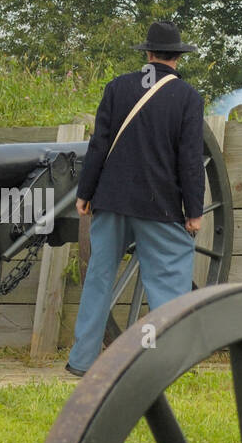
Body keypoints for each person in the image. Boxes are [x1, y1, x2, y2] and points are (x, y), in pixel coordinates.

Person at [66, 21, 205, 376]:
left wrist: (85, 192)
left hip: (112, 201)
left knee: (98, 278)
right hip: (160, 205)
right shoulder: (188, 97)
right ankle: (167, 362)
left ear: (147, 54)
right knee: (169, 282)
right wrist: (194, 211)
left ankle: (81, 361)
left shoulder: (117, 88)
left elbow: (99, 145)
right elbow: (190, 160)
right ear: (177, 57)